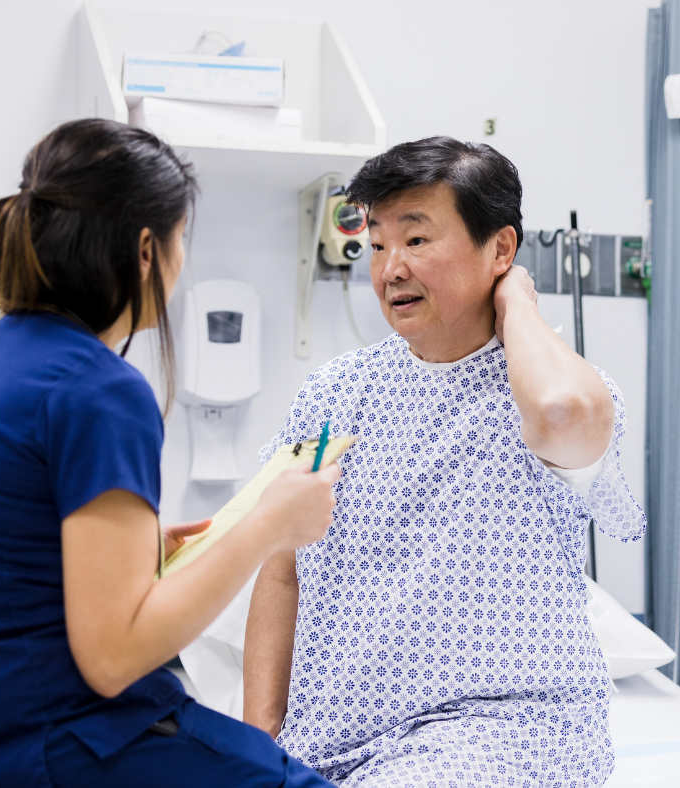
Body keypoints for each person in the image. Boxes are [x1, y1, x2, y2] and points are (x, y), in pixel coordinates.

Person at [0, 119, 340, 788]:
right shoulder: (96, 388)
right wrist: (269, 526)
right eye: (181, 239)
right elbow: (113, 659)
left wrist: (143, 557)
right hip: (43, 745)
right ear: (147, 248)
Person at [243, 137, 646, 788]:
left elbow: (564, 414)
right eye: (377, 245)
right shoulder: (333, 394)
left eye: (417, 240)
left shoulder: (545, 393)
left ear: (501, 249)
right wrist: (260, 739)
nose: (390, 268)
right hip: (333, 738)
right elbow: (281, 568)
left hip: (504, 731)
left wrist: (517, 301)